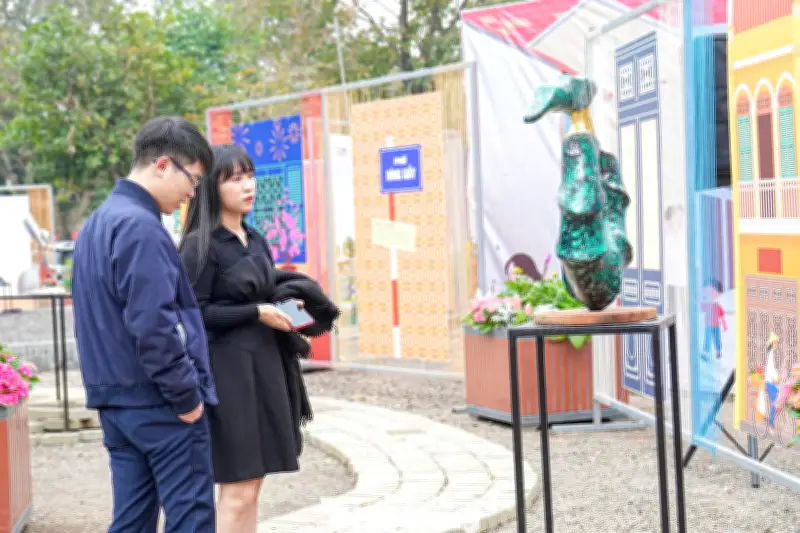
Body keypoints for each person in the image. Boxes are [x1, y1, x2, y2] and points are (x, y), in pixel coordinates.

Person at [71, 116, 218, 533]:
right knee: (191, 520)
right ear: (163, 165)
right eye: (193, 179)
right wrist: (186, 397)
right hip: (160, 403)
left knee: (131, 522)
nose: (192, 193)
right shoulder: (141, 227)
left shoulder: (97, 223)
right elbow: (154, 324)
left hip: (116, 401)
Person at [179, 144, 312, 533]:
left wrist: (286, 309)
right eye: (235, 179)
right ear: (212, 187)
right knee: (236, 488)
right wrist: (255, 312)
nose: (248, 186)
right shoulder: (200, 245)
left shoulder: (255, 239)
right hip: (228, 376)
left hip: (266, 368)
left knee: (254, 486)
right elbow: (195, 314)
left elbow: (263, 296)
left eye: (250, 176)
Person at [700, 278, 727, 360]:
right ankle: (706, 352)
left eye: (713, 292)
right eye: (706, 292)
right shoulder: (705, 304)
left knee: (716, 339)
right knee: (707, 339)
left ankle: (718, 351)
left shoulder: (717, 306)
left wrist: (724, 325)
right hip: (708, 325)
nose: (710, 294)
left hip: (716, 325)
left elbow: (722, 316)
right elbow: (700, 308)